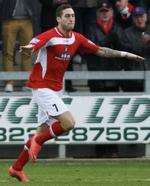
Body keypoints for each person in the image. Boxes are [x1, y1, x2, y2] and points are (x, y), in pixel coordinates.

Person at [8, 3, 144, 182]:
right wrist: (29, 48)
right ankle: (38, 141)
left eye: (72, 16)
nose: (71, 18)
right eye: (67, 16)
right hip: (41, 87)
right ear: (58, 19)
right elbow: (35, 43)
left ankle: (16, 168)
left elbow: (101, 50)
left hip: (56, 89)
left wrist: (125, 54)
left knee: (41, 130)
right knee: (68, 122)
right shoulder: (50, 35)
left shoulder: (77, 38)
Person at [0, 0, 41, 92]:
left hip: (28, 20)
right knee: (7, 52)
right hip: (8, 20)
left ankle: (27, 82)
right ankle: (9, 82)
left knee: (27, 52)